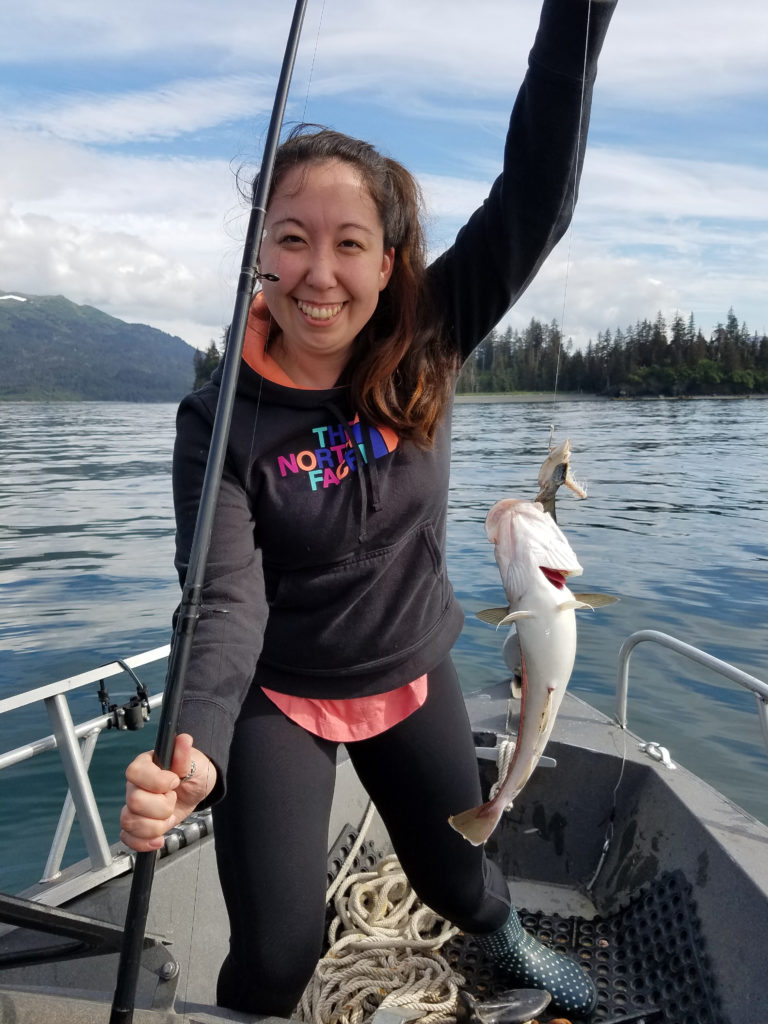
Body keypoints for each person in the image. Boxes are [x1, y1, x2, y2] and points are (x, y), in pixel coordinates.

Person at [120, 0, 618, 1017]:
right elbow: (222, 599)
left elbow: (537, 200)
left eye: (350, 244)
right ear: (263, 250)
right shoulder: (217, 421)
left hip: (409, 664)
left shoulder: (427, 336)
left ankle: (511, 940)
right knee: (278, 952)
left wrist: (574, 18)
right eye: (294, 240)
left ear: (388, 263)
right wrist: (194, 743)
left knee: (458, 881)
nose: (319, 273)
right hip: (278, 693)